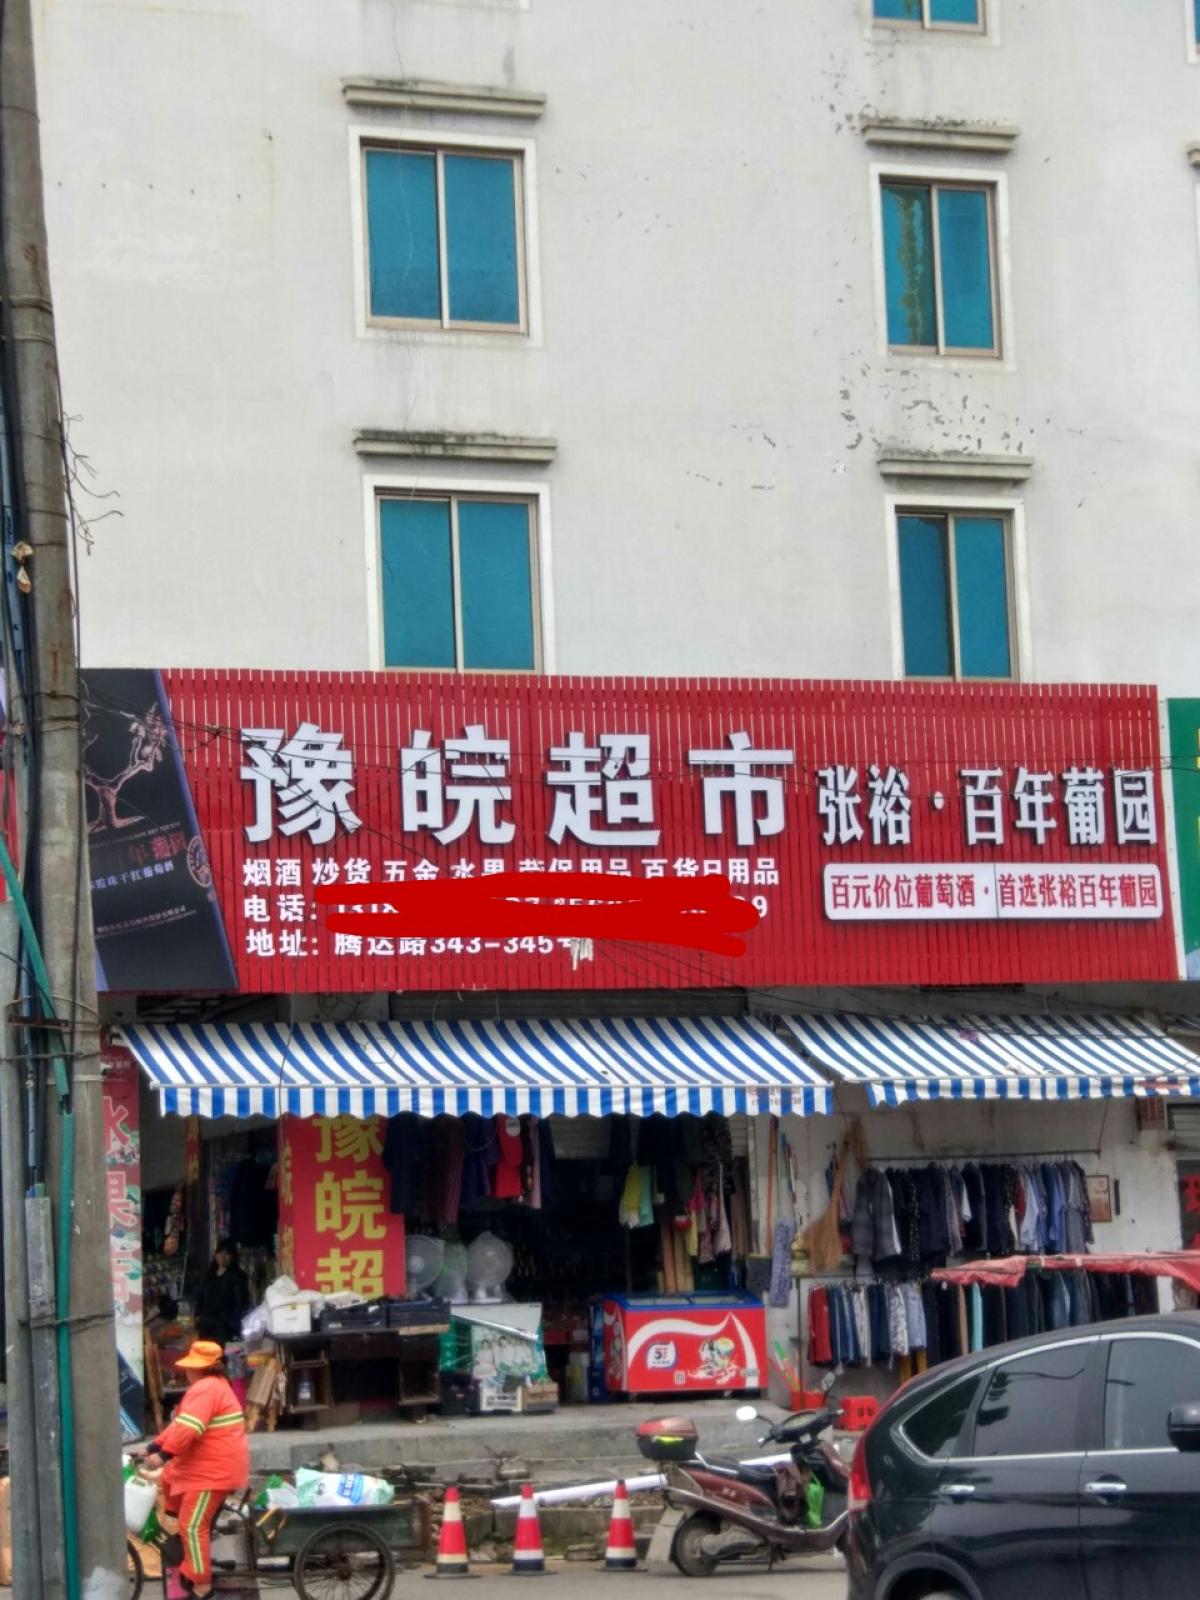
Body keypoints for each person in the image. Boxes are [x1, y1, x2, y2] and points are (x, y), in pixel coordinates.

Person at [134, 1339, 249, 1599]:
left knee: (193, 1526)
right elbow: (180, 1426)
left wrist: (163, 1455)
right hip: (211, 1469)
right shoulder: (213, 1386)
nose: (186, 1370)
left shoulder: (206, 1389)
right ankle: (193, 1570)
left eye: (190, 1366)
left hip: (211, 1473)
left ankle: (202, 1586)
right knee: (190, 1524)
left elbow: (188, 1429)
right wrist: (152, 1447)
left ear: (198, 1369)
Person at [196, 1238, 251, 1345]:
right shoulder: (210, 1273)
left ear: (233, 1256)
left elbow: (240, 1303)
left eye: (226, 1253)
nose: (222, 1256)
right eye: (220, 1252)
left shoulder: (238, 1276)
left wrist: (231, 1323)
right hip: (206, 1326)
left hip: (225, 1329)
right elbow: (201, 1296)